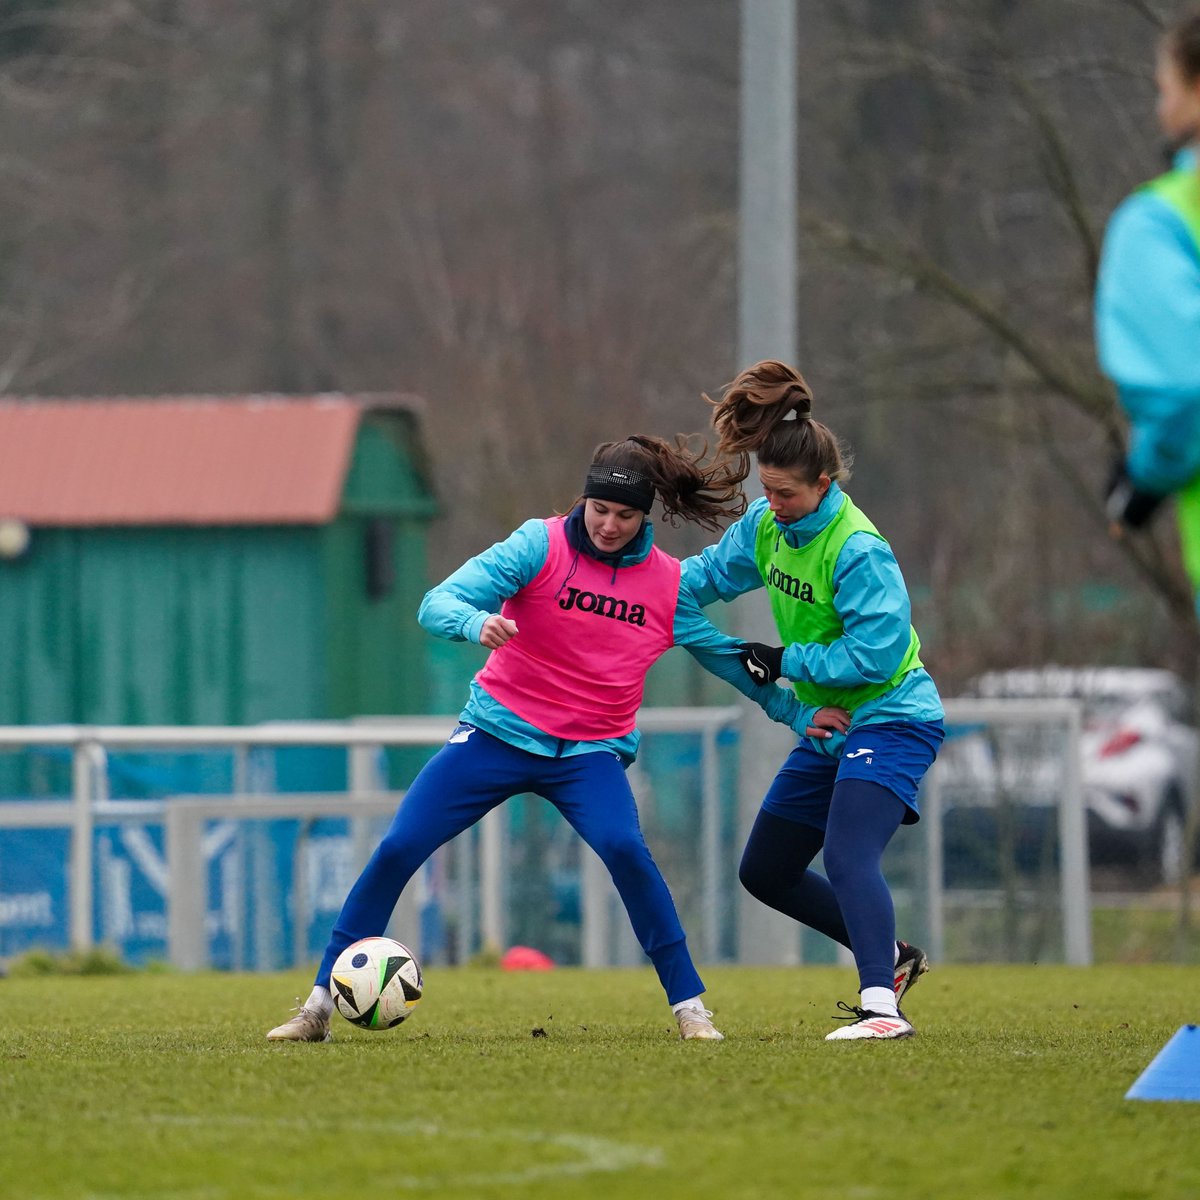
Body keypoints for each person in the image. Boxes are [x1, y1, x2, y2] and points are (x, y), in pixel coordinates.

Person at [267, 433, 822, 1044]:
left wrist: (794, 714)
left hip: (588, 756)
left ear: (646, 517)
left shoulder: (666, 586)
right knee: (399, 845)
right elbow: (436, 602)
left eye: (625, 514)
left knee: (627, 851)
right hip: (495, 734)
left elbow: (725, 657)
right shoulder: (539, 544)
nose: (609, 525)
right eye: (600, 509)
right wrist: (475, 620)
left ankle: (691, 1009)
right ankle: (317, 1008)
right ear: (583, 501)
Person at [680, 360, 946, 1042]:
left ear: (824, 484)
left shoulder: (856, 548)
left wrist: (783, 661)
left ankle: (882, 1010)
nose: (774, 503)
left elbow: (879, 655)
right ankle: (888, 957)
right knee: (764, 870)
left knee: (848, 855)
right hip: (832, 721)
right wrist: (636, 591)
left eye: (788, 493)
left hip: (893, 717)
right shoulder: (767, 526)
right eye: (766, 490)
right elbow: (704, 578)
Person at [1096, 7, 1200, 610]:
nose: (1160, 111)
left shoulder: (1160, 222)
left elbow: (1184, 395)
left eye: (1166, 90)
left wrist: (1144, 478)